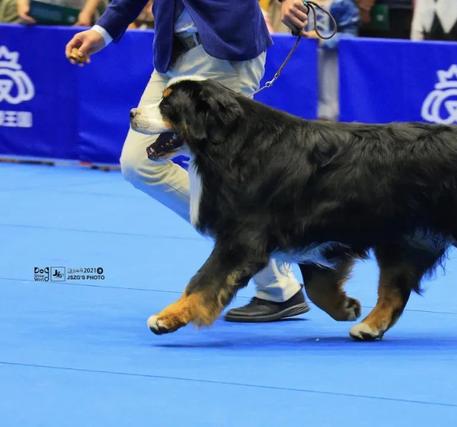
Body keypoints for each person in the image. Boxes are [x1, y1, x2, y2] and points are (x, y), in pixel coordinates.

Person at [64, 0, 313, 322]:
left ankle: (273, 279)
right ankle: (266, 263)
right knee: (139, 164)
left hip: (226, 55)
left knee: (219, 177)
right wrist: (103, 29)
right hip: (173, 56)